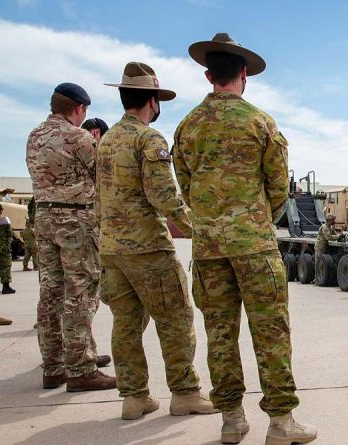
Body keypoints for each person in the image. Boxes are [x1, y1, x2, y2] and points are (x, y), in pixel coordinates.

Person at [174, 33, 316, 445]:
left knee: (219, 333)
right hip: (254, 245)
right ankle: (281, 422)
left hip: (208, 249)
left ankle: (232, 420)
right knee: (270, 331)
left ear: (207, 75)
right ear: (243, 74)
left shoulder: (187, 127)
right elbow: (278, 189)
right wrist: (254, 220)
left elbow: (184, 185)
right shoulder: (260, 122)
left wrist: (212, 220)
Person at [97, 61, 217, 420]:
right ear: (153, 100)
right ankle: (185, 393)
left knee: (126, 324)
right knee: (176, 319)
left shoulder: (107, 140)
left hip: (112, 250)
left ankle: (134, 398)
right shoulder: (148, 139)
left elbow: (99, 198)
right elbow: (165, 197)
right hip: (148, 249)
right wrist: (200, 230)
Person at [26, 82, 116, 392]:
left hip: (44, 219)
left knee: (50, 292)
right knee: (80, 293)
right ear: (78, 109)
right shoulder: (78, 137)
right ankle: (81, 369)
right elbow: (105, 176)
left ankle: (54, 366)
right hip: (75, 220)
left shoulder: (34, 136)